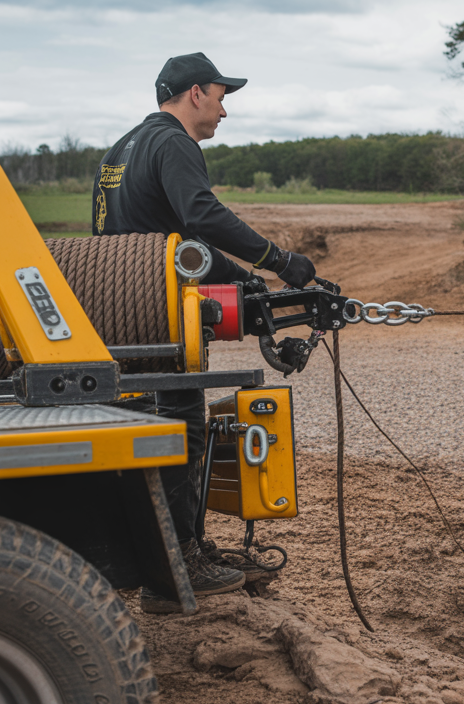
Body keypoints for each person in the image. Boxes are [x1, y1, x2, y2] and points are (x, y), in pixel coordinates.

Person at [93, 52, 317, 612]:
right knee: (184, 426)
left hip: (116, 315)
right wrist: (277, 261)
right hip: (156, 318)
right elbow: (200, 217)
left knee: (154, 429)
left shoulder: (120, 148)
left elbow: (146, 243)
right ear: (195, 93)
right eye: (221, 96)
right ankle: (175, 572)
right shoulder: (174, 143)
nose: (224, 110)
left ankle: (172, 558)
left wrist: (244, 283)